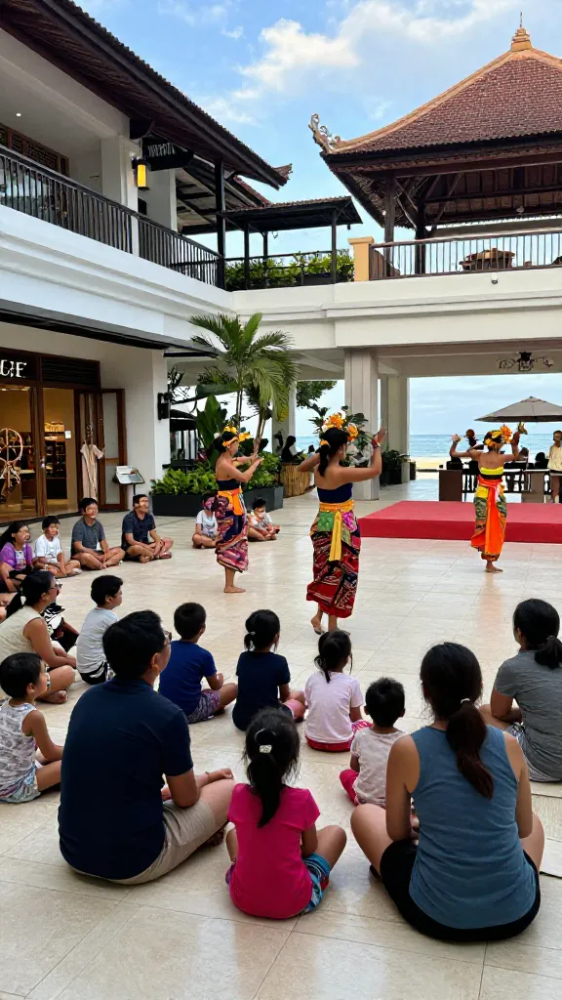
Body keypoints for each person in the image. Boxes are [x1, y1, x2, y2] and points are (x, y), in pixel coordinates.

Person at [351, 642, 544, 942]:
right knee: (535, 824)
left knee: (363, 815)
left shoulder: (408, 748)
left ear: (426, 692)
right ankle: (508, 880)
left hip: (437, 914)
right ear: (480, 687)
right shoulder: (508, 745)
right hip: (517, 913)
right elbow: (524, 829)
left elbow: (398, 833)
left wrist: (423, 827)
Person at [59, 610, 235, 884]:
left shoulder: (88, 699)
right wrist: (208, 778)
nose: (169, 642)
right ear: (155, 660)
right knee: (229, 789)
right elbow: (185, 798)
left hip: (74, 852)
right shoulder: (166, 714)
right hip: (133, 861)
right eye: (166, 640)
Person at [226, 708, 347, 919]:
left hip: (243, 898)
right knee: (336, 833)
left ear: (249, 755)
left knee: (232, 835)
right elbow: (310, 849)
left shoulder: (238, 794)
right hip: (293, 902)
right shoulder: (302, 799)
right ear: (292, 761)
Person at [298, 424, 384, 633]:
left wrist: (323, 451)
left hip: (323, 522)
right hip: (342, 526)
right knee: (340, 571)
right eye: (345, 446)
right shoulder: (342, 472)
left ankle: (319, 617)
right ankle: (333, 627)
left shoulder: (319, 468)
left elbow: (301, 467)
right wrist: (377, 445)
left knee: (327, 570)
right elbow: (376, 470)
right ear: (339, 449)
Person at [482, 599, 562, 782]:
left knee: (484, 712)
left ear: (519, 633)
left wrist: (524, 714)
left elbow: (498, 712)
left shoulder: (512, 668)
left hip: (541, 765)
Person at [450, 425, 522, 573]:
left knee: (490, 527)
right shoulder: (498, 457)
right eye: (502, 441)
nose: (503, 443)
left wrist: (456, 442)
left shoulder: (478, 455)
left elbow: (453, 453)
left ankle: (490, 562)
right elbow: (517, 456)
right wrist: (515, 445)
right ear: (497, 443)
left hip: (487, 496)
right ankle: (489, 561)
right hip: (492, 496)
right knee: (491, 527)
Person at [0, 572, 75, 703]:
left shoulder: (22, 611)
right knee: (68, 673)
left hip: (10, 673)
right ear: (44, 596)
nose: (58, 589)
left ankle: (42, 693)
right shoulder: (35, 622)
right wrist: (73, 663)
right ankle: (38, 695)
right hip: (8, 685)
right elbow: (51, 660)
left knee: (54, 662)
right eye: (55, 586)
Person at [0, 652, 64, 802]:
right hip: (15, 788)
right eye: (44, 672)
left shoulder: (4, 705)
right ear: (31, 687)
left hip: (5, 779)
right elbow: (51, 753)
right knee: (73, 760)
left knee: (42, 756)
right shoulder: (33, 716)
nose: (48, 676)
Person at [159, 602, 237, 723]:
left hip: (165, 708)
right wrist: (220, 678)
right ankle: (211, 710)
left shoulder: (168, 647)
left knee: (202, 691)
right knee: (233, 688)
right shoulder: (203, 655)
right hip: (189, 712)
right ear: (202, 629)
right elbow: (215, 685)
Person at [232, 609, 305, 731]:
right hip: (268, 723)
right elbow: (284, 696)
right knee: (298, 701)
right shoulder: (279, 661)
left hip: (240, 720)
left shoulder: (243, 657)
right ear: (276, 636)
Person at [212, 429, 263, 594]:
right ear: (228, 446)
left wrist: (249, 458)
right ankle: (228, 585)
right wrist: (254, 464)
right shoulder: (224, 464)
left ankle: (230, 583)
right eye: (236, 443)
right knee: (231, 541)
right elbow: (244, 478)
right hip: (229, 507)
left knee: (236, 540)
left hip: (233, 504)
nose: (238, 445)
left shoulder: (227, 460)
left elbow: (238, 460)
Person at [340, 677, 405, 805]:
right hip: (396, 803)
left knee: (346, 775)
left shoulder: (360, 735)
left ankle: (361, 802)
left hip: (366, 800)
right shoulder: (406, 740)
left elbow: (354, 767)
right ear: (402, 713)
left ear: (366, 710)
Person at [305, 629, 368, 752]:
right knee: (367, 727)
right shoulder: (351, 683)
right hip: (342, 742)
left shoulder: (313, 679)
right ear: (347, 659)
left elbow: (310, 705)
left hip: (313, 740)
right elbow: (356, 718)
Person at [75, 575, 123, 685]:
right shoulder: (110, 617)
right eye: (120, 593)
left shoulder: (92, 613)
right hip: (98, 673)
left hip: (85, 672)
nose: (121, 596)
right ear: (109, 599)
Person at [71, 498, 124, 570]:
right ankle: (100, 565)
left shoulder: (98, 525)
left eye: (96, 509)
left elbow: (103, 542)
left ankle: (106, 563)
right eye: (90, 509)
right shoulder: (79, 526)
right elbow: (78, 547)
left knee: (120, 551)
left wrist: (106, 552)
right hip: (83, 554)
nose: (94, 511)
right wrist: (92, 553)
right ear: (83, 511)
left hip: (96, 554)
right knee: (86, 557)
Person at [121, 494, 173, 562]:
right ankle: (155, 555)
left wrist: (157, 542)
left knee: (168, 540)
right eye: (143, 501)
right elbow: (130, 540)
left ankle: (151, 555)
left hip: (145, 544)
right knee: (138, 548)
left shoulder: (149, 517)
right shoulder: (129, 518)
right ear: (136, 504)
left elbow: (153, 533)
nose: (146, 504)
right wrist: (146, 547)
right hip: (131, 547)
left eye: (147, 501)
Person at [0, 522, 34, 593]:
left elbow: (30, 565)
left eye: (27, 532)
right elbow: (6, 570)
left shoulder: (27, 547)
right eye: (23, 532)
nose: (26, 535)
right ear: (13, 534)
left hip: (21, 573)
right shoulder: (7, 549)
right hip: (8, 576)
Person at [548, 430, 562, 502]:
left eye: (558, 437)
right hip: (554, 470)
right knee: (555, 488)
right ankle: (555, 504)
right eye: (555, 437)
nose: (556, 438)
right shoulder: (552, 447)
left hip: (558, 469)